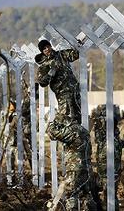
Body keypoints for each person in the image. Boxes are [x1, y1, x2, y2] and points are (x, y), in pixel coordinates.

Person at [35, 39, 96, 210]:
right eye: (44, 49)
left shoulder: (61, 55)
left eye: (47, 47)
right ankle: (74, 141)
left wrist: (76, 44)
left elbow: (75, 54)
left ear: (50, 47)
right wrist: (51, 72)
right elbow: (42, 82)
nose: (47, 50)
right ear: (42, 52)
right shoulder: (44, 65)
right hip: (63, 96)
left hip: (75, 93)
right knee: (69, 119)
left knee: (78, 117)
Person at [89, 104, 122, 211]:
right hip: (105, 173)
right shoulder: (107, 140)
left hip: (110, 174)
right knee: (106, 194)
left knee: (110, 196)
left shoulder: (112, 142)